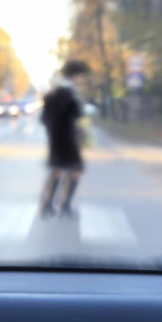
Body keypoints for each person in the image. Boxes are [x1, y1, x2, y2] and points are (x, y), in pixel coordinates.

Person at [39, 60, 90, 219]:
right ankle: (63, 205)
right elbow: (77, 114)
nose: (83, 79)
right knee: (74, 170)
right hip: (67, 137)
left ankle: (49, 205)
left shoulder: (54, 92)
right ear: (76, 76)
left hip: (56, 137)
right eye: (82, 76)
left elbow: (43, 118)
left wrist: (52, 130)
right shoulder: (69, 93)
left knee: (58, 170)